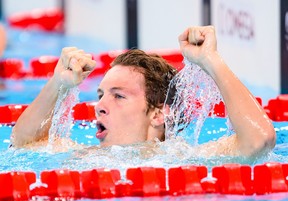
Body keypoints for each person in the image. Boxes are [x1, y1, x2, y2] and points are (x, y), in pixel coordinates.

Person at [11, 26, 276, 158]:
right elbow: (23, 142)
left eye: (119, 95)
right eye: (101, 94)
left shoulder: (186, 161)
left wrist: (211, 60)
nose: (100, 105)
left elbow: (259, 140)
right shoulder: (84, 155)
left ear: (158, 114)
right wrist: (58, 84)